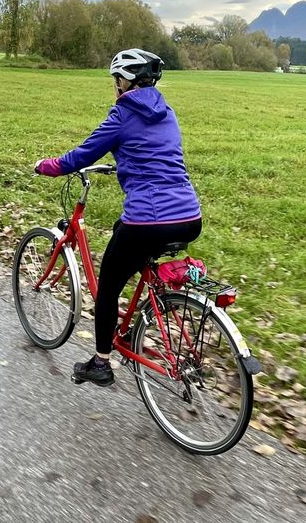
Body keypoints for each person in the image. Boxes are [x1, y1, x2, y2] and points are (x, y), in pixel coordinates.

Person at [34, 48, 202, 386]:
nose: (115, 87)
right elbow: (156, 156)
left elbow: (80, 156)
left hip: (150, 218)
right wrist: (124, 162)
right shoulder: (167, 112)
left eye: (116, 81)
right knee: (124, 235)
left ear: (123, 82)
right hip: (189, 215)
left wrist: (47, 166)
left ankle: (101, 362)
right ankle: (136, 322)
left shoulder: (122, 114)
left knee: (108, 285)